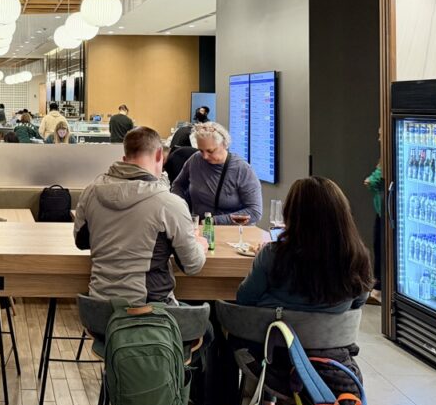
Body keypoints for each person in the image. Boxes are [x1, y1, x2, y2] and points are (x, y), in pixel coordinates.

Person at [74, 126, 207, 304]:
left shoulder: (90, 192)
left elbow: (81, 241)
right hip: (148, 313)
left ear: (124, 159)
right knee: (207, 329)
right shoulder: (169, 204)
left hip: (99, 308)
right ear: (160, 155)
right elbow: (192, 265)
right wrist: (200, 244)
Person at [236, 177, 373, 313]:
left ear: (291, 213)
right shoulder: (356, 255)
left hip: (275, 331)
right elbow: (359, 300)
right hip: (331, 333)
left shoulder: (273, 254)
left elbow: (245, 298)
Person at [171, 121, 262, 224]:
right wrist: (181, 207)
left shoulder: (242, 169)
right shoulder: (195, 160)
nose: (204, 156)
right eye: (201, 151)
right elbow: (178, 185)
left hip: (232, 233)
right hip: (201, 229)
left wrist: (214, 221)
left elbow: (254, 212)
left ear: (224, 145)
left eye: (210, 151)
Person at [364, 129, 384, 305]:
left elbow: (374, 180)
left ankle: (379, 288)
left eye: (380, 133)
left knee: (381, 249)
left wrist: (370, 181)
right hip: (382, 210)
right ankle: (379, 286)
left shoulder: (388, 158)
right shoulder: (384, 158)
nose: (378, 137)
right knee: (378, 247)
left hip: (386, 212)